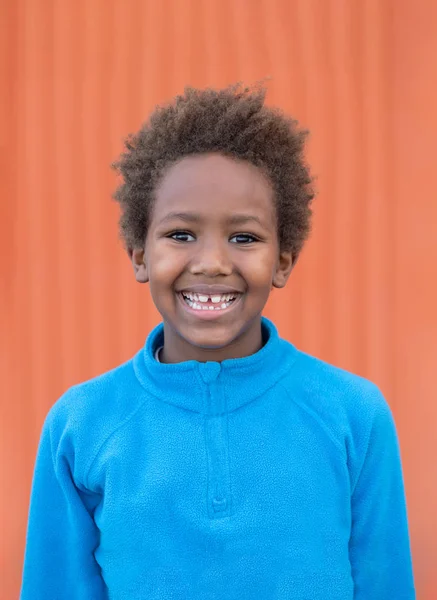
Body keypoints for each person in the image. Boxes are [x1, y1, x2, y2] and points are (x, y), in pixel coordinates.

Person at [20, 84, 415, 599]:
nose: (211, 262)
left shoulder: (353, 415)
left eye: (244, 238)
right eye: (181, 235)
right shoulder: (81, 424)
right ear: (139, 255)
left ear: (283, 261)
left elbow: (386, 585)